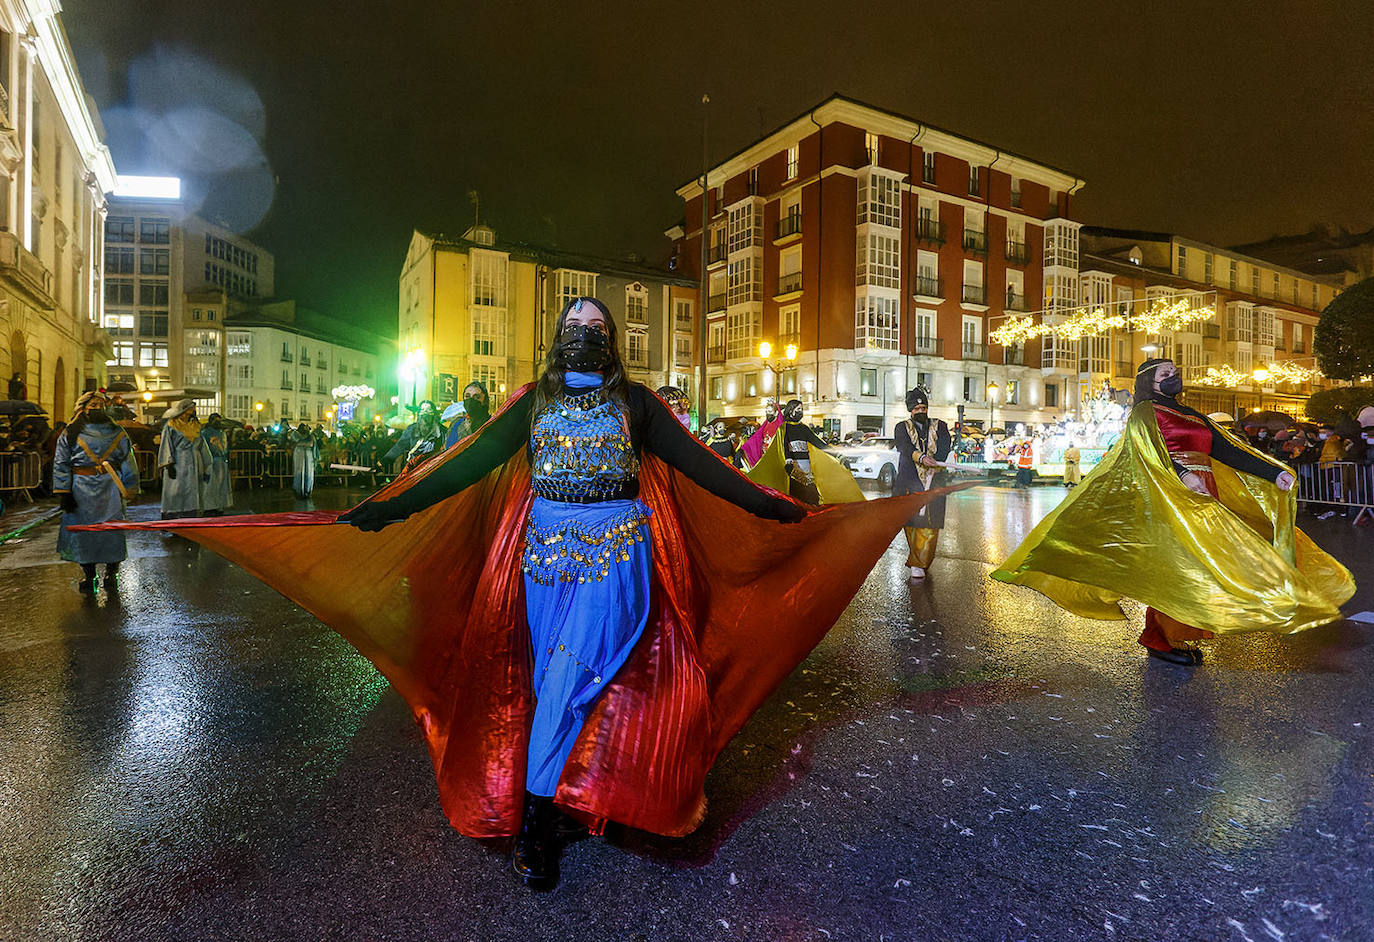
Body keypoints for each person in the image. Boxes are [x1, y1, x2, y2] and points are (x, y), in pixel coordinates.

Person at [87, 297, 951, 892]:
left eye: (595, 320)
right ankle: (569, 801)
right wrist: (385, 511)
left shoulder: (640, 405)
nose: (584, 326)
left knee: (574, 680)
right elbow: (463, 467)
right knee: (560, 689)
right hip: (543, 564)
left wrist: (777, 507)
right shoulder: (531, 402)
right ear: (556, 338)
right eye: (572, 320)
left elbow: (704, 469)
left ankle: (537, 826)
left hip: (619, 561)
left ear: (610, 338)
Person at [993, 358, 1352, 666]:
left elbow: (1226, 451)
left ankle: (1175, 632)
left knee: (1203, 563)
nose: (1173, 375)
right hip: (1170, 495)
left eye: (1175, 370)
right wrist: (1183, 476)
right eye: (1165, 372)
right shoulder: (1146, 412)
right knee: (1178, 562)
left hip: (1205, 494)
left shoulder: (1192, 415)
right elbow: (1147, 452)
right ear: (1150, 380)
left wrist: (1275, 474)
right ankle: (1160, 637)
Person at [52, 392, 140, 592]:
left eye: (101, 404)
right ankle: (89, 575)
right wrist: (64, 492)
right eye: (93, 404)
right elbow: (61, 463)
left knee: (112, 530)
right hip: (81, 489)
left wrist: (130, 486)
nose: (98, 407)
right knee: (85, 532)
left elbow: (128, 459)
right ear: (83, 408)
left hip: (110, 489)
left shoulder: (117, 432)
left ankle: (112, 573)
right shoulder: (70, 433)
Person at [893, 387, 952, 580]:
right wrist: (921, 457)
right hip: (909, 481)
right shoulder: (901, 427)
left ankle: (921, 561)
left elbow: (944, 444)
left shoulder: (940, 425)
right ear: (911, 410)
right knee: (912, 522)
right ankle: (917, 559)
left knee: (931, 523)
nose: (920, 411)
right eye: (916, 408)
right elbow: (903, 446)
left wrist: (937, 461)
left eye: (923, 407)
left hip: (935, 481)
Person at [157, 399, 211, 520]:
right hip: (178, 461)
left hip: (194, 461)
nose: (193, 410)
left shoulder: (195, 425)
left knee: (192, 490)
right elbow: (166, 443)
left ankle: (190, 515)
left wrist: (206, 464)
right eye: (191, 407)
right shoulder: (172, 425)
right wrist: (168, 463)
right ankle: (172, 515)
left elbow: (202, 445)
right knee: (175, 489)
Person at [779, 399, 829, 504]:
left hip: (807, 467)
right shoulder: (784, 428)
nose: (801, 412)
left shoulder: (804, 428)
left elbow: (819, 443)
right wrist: (788, 462)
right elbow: (783, 445)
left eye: (801, 409)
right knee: (796, 497)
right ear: (791, 411)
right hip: (793, 468)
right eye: (798, 409)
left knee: (812, 496)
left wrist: (838, 455)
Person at [383, 400, 445, 470]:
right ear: (419, 414)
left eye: (428, 410)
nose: (425, 412)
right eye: (422, 410)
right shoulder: (412, 429)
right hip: (414, 469)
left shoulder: (441, 431)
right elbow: (399, 447)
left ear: (434, 413)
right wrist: (383, 462)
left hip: (433, 468)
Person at [202, 414, 234, 516]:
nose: (218, 423)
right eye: (216, 421)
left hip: (221, 461)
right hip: (210, 461)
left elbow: (225, 447)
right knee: (210, 485)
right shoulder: (205, 433)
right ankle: (209, 506)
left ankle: (220, 505)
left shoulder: (222, 433)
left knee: (221, 485)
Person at [444, 382, 492, 448]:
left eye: (477, 397)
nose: (471, 400)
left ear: (484, 401)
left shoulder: (491, 425)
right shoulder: (456, 424)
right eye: (467, 396)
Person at [289, 422, 319, 499]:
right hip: (299, 454)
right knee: (299, 471)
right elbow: (297, 442)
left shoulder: (311, 436)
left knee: (308, 471)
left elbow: (311, 444)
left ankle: (307, 490)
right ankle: (299, 490)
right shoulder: (295, 434)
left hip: (308, 455)